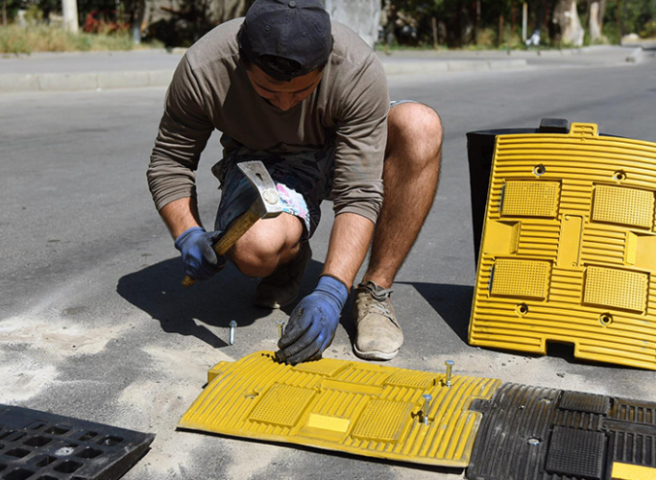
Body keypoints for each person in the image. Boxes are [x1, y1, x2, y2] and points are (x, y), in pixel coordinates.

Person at [147, 0, 442, 365]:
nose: (286, 104)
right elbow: (170, 161)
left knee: (419, 126)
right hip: (264, 161)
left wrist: (333, 290)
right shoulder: (205, 67)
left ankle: (375, 292)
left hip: (338, 150)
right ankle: (288, 253)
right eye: (268, 92)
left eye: (301, 92)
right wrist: (187, 233)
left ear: (325, 62)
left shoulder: (355, 67)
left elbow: (359, 194)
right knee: (256, 249)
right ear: (243, 61)